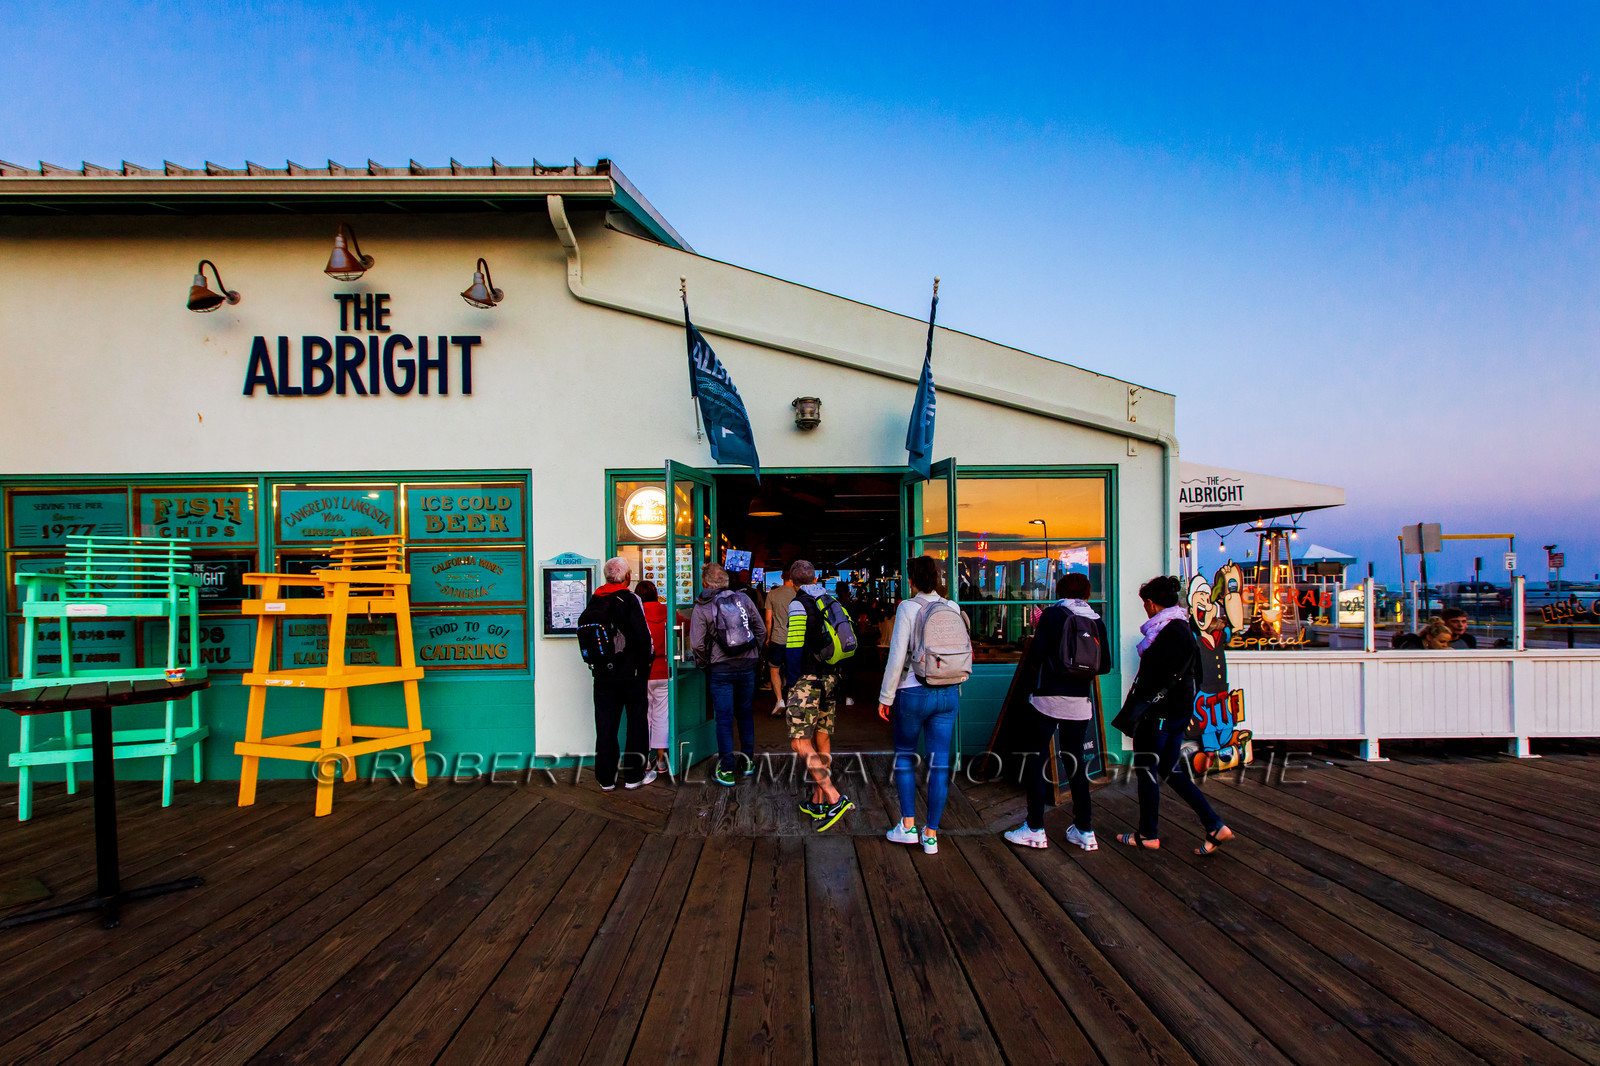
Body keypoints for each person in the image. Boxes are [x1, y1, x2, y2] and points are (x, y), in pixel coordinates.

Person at [1118, 575, 1231, 855]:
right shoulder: (1185, 629)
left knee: (1147, 773)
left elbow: (1152, 678)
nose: (1145, 609)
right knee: (1170, 770)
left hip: (1157, 715)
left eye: (1145, 604)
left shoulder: (1164, 633)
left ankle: (1148, 834)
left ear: (1152, 604)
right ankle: (1214, 824)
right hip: (1180, 713)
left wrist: (1139, 707)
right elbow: (1198, 674)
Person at [1005, 572, 1111, 852]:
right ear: (1087, 593)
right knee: (1075, 762)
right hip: (1080, 703)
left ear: (1060, 589)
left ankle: (1035, 828)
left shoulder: (1053, 615)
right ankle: (1086, 830)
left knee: (1037, 759)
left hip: (1048, 699)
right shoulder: (1096, 620)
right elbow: (1105, 665)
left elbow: (1036, 655)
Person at [876, 555, 962, 854]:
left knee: (904, 756)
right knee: (940, 764)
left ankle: (908, 826)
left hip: (914, 691)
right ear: (937, 579)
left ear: (911, 580)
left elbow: (897, 655)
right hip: (949, 692)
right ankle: (931, 834)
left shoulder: (908, 608)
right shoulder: (952, 607)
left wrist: (886, 696)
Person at [785, 559, 854, 831]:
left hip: (807, 679)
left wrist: (792, 682)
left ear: (792, 581)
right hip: (830, 678)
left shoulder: (798, 604)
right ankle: (818, 800)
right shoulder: (829, 599)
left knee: (799, 743)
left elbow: (793, 646)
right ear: (814, 579)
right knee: (822, 738)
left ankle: (834, 797)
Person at [689, 563, 766, 786]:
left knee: (723, 718)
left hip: (720, 669)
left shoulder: (702, 606)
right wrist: (754, 654)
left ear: (704, 583)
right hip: (747, 666)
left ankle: (727, 769)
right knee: (744, 713)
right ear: (727, 582)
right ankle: (748, 762)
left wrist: (706, 665)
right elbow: (760, 630)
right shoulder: (744, 599)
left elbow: (697, 644)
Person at [585, 557, 657, 791]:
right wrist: (646, 665)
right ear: (627, 578)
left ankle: (606, 778)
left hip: (602, 674)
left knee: (605, 726)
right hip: (631, 673)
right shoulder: (630, 598)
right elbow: (643, 637)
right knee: (637, 724)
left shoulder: (595, 598)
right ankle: (634, 776)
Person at [636, 580, 671, 774]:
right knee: (661, 716)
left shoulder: (636, 614)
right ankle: (661, 760)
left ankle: (645, 760)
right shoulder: (667, 611)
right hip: (664, 670)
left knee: (644, 716)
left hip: (643, 672)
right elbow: (686, 625)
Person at [764, 565, 797, 716]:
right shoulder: (800, 594)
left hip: (777, 638)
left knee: (774, 669)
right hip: (796, 640)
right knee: (794, 670)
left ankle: (779, 700)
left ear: (782, 577)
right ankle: (794, 702)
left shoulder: (772, 594)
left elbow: (768, 619)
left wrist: (768, 637)